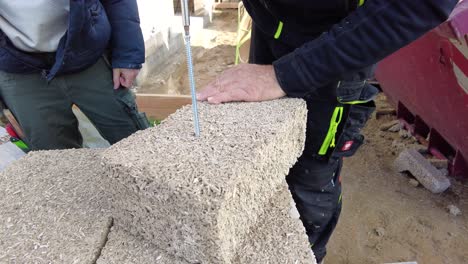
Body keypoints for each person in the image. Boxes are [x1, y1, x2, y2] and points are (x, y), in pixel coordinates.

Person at [198, 0, 458, 262]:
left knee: (309, 182)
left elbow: (420, 5)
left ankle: (306, 254)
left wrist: (285, 75)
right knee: (264, 160)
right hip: (271, 24)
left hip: (337, 45)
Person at [0, 0, 149, 151]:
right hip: (19, 68)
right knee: (53, 159)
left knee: (136, 144)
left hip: (86, 52)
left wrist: (128, 55)